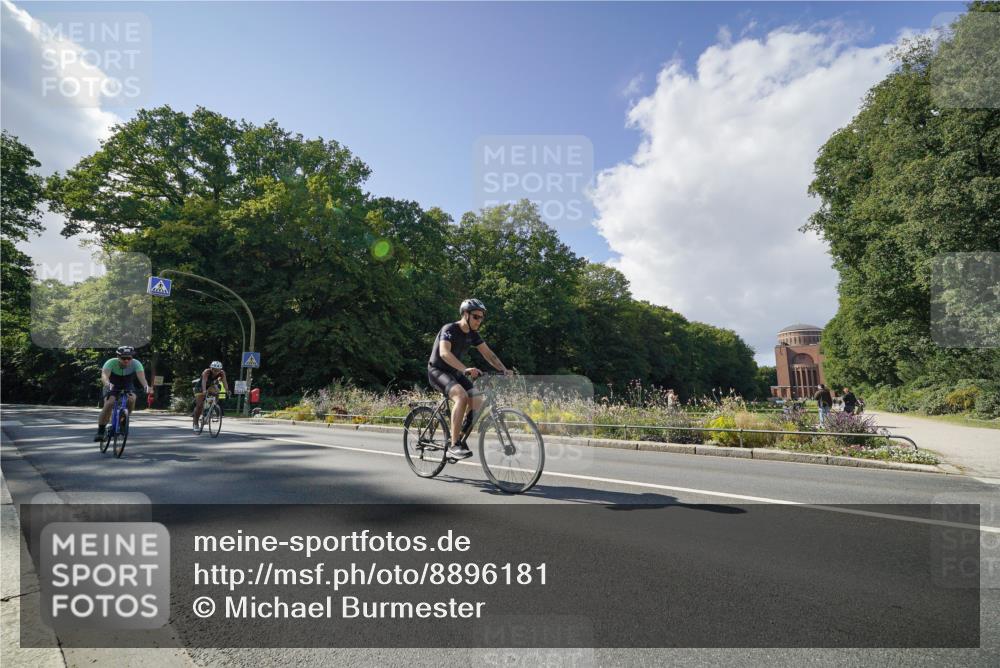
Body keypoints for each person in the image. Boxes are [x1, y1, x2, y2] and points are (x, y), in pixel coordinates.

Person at [427, 299, 512, 459]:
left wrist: (503, 369)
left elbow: (488, 354)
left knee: (477, 400)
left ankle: (459, 437)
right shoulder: (449, 329)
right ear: (465, 314)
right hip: (437, 370)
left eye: (481, 318)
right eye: (476, 317)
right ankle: (453, 445)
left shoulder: (473, 335)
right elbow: (444, 353)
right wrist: (465, 369)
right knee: (461, 396)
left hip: (455, 373)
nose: (479, 321)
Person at [94, 346, 151, 441]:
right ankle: (100, 431)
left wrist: (146, 386)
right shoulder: (110, 362)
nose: (126, 360)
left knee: (132, 399)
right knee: (109, 403)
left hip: (127, 383)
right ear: (118, 357)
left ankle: (124, 421)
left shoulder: (136, 364)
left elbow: (142, 378)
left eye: (129, 358)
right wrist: (107, 384)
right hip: (112, 383)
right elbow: (104, 376)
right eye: (124, 358)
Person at [193, 361, 229, 431]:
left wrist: (227, 390)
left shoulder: (222, 373)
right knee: (199, 405)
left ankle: (213, 407)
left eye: (218, 370)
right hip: (200, 387)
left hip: (210, 386)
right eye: (214, 370)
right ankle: (196, 423)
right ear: (211, 368)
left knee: (217, 392)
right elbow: (204, 381)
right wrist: (203, 390)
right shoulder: (207, 372)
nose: (216, 372)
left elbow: (224, 382)